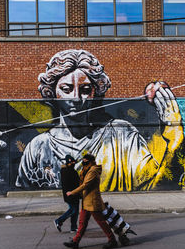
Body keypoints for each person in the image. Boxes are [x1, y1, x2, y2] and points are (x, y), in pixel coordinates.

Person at [16, 49, 184, 192]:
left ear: (96, 91)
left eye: (85, 89)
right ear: (51, 92)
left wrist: (174, 138)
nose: (75, 97)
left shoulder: (121, 134)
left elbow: (154, 186)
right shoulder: (38, 147)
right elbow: (22, 193)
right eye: (66, 89)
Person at [64, 153, 118, 249]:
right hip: (86, 201)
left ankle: (112, 240)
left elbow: (86, 185)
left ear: (91, 162)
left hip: (92, 201)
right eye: (83, 161)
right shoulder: (87, 170)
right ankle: (76, 241)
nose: (84, 163)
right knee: (82, 222)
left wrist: (72, 192)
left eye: (86, 162)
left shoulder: (93, 171)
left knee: (101, 221)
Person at [54, 154, 79, 233]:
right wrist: (70, 193)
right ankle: (59, 221)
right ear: (68, 163)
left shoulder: (70, 171)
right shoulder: (67, 172)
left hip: (75, 194)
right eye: (71, 163)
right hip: (70, 195)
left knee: (75, 211)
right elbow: (69, 184)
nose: (73, 164)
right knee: (73, 210)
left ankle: (73, 227)